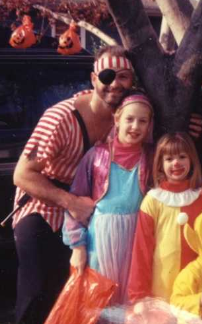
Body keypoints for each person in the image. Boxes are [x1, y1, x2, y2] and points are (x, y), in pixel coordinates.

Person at [11, 45, 135, 323]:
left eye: (124, 76)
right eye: (107, 75)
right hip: (44, 208)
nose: (114, 83)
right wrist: (70, 202)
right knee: (37, 292)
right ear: (93, 79)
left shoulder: (124, 120)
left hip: (89, 217)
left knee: (77, 298)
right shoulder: (61, 117)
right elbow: (22, 174)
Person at [62, 92, 154, 305]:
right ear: (117, 119)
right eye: (129, 119)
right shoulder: (96, 156)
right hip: (101, 239)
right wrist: (78, 247)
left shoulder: (150, 157)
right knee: (100, 300)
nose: (135, 126)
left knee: (133, 299)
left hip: (137, 237)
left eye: (142, 121)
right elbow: (74, 201)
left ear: (149, 125)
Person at [127, 132, 202, 303]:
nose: (176, 163)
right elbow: (141, 251)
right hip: (162, 288)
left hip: (196, 290)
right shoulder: (153, 200)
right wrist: (138, 296)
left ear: (192, 160)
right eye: (169, 159)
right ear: (160, 164)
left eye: (182, 157)